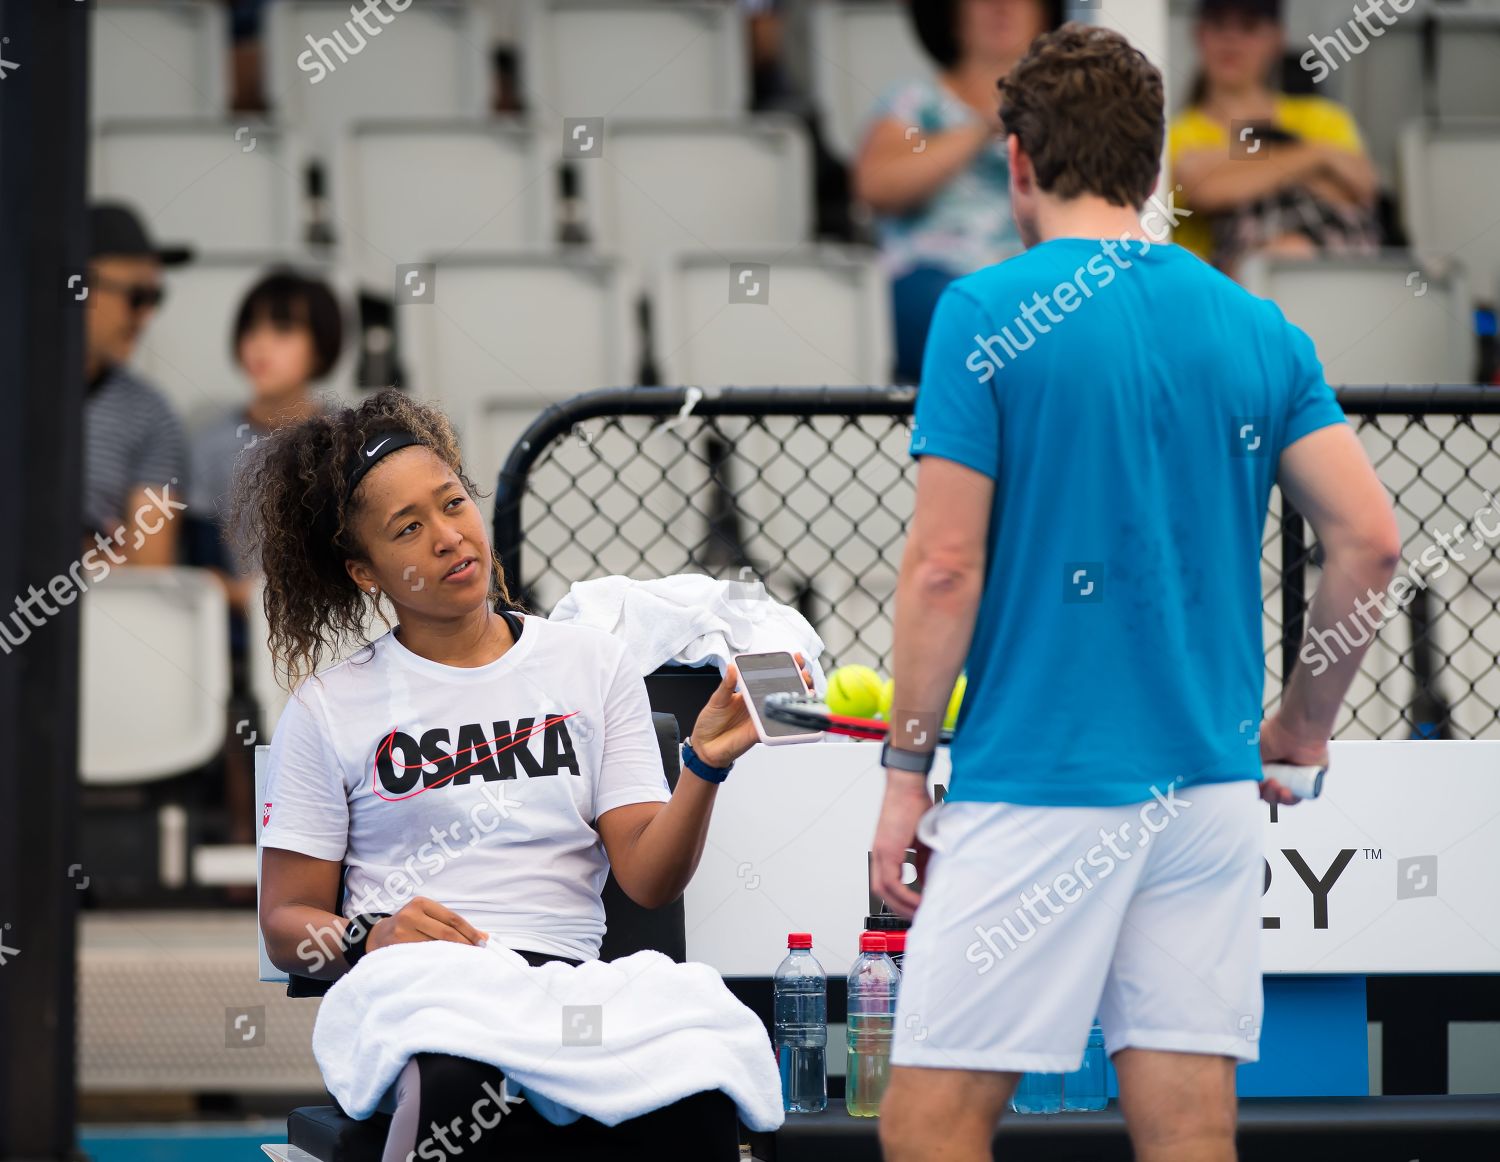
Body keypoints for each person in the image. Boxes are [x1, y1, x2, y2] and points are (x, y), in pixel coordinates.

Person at [870, 24, 1399, 1162]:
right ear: (1156, 168)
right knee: (1190, 1135)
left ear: (1015, 160)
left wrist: (904, 770)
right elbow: (1370, 543)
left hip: (1038, 784)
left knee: (926, 1130)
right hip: (1206, 793)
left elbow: (944, 567)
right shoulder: (1260, 325)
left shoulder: (981, 313)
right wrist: (1298, 732)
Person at [240, 390, 811, 1161]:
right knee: (460, 1081)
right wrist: (367, 936)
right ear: (364, 572)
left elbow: (649, 879)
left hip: (567, 989)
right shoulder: (327, 707)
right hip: (424, 985)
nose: (449, 537)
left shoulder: (588, 663)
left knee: (697, 1071)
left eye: (452, 504)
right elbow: (285, 923)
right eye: (409, 528)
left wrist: (703, 764)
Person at [185, 269, 345, 856]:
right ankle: (246, 831)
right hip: (236, 622)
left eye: (283, 329)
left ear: (322, 344)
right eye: (250, 328)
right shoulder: (208, 443)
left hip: (332, 614)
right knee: (234, 690)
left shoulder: (345, 438)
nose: (260, 344)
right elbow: (198, 551)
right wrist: (233, 594)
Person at [853, 0, 1061, 383]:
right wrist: (984, 128)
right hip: (934, 285)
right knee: (951, 310)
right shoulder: (915, 100)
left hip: (1040, 286)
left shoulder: (1072, 111)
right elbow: (876, 184)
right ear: (954, 16)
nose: (1003, 7)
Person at [1169, 0, 1380, 277]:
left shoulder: (1324, 117)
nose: (1231, 39)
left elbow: (1362, 187)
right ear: (1199, 34)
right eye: (1218, 24)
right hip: (1221, 298)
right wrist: (1318, 156)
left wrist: (1231, 170)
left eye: (1249, 26)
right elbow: (1199, 187)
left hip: (1327, 287)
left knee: (1292, 251)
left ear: (1277, 38)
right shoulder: (1173, 133)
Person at [82, 202, 194, 565]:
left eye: (154, 297)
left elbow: (147, 571)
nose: (146, 314)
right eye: (136, 297)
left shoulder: (151, 415)